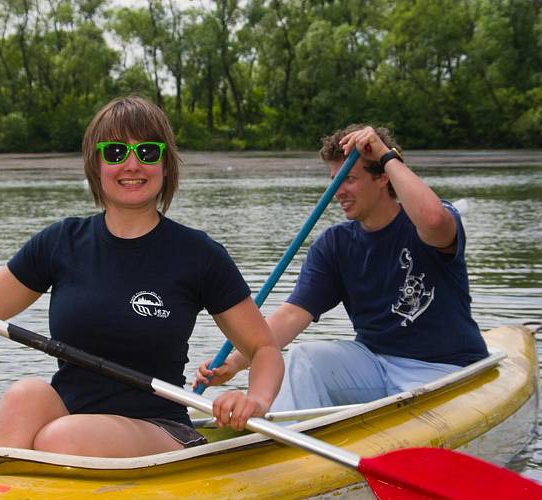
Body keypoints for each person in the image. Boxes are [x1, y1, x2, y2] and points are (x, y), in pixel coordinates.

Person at [0, 95, 283, 457]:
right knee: (25, 394)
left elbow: (262, 347)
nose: (132, 165)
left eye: (147, 152)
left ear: (165, 164)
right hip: (69, 413)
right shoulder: (61, 242)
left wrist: (256, 401)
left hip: (155, 425)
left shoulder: (199, 254)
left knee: (61, 437)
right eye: (115, 152)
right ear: (96, 167)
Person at [195, 124, 488, 411]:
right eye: (334, 180)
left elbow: (435, 222)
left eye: (348, 179)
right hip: (372, 362)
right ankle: (279, 445)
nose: (338, 191)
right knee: (304, 358)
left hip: (443, 366)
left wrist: (385, 154)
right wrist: (236, 361)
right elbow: (291, 315)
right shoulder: (334, 244)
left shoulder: (427, 223)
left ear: (383, 177)